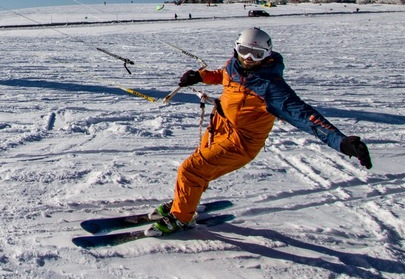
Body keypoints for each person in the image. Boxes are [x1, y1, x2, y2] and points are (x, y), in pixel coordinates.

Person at [149, 27, 372, 236]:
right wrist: (201, 76)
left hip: (241, 142)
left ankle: (181, 217)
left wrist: (341, 141)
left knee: (192, 169)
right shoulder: (234, 65)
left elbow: (304, 116)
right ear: (236, 48)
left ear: (267, 54)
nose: (249, 58)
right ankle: (185, 201)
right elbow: (224, 75)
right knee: (200, 168)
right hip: (220, 127)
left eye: (256, 54)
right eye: (244, 51)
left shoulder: (271, 87)